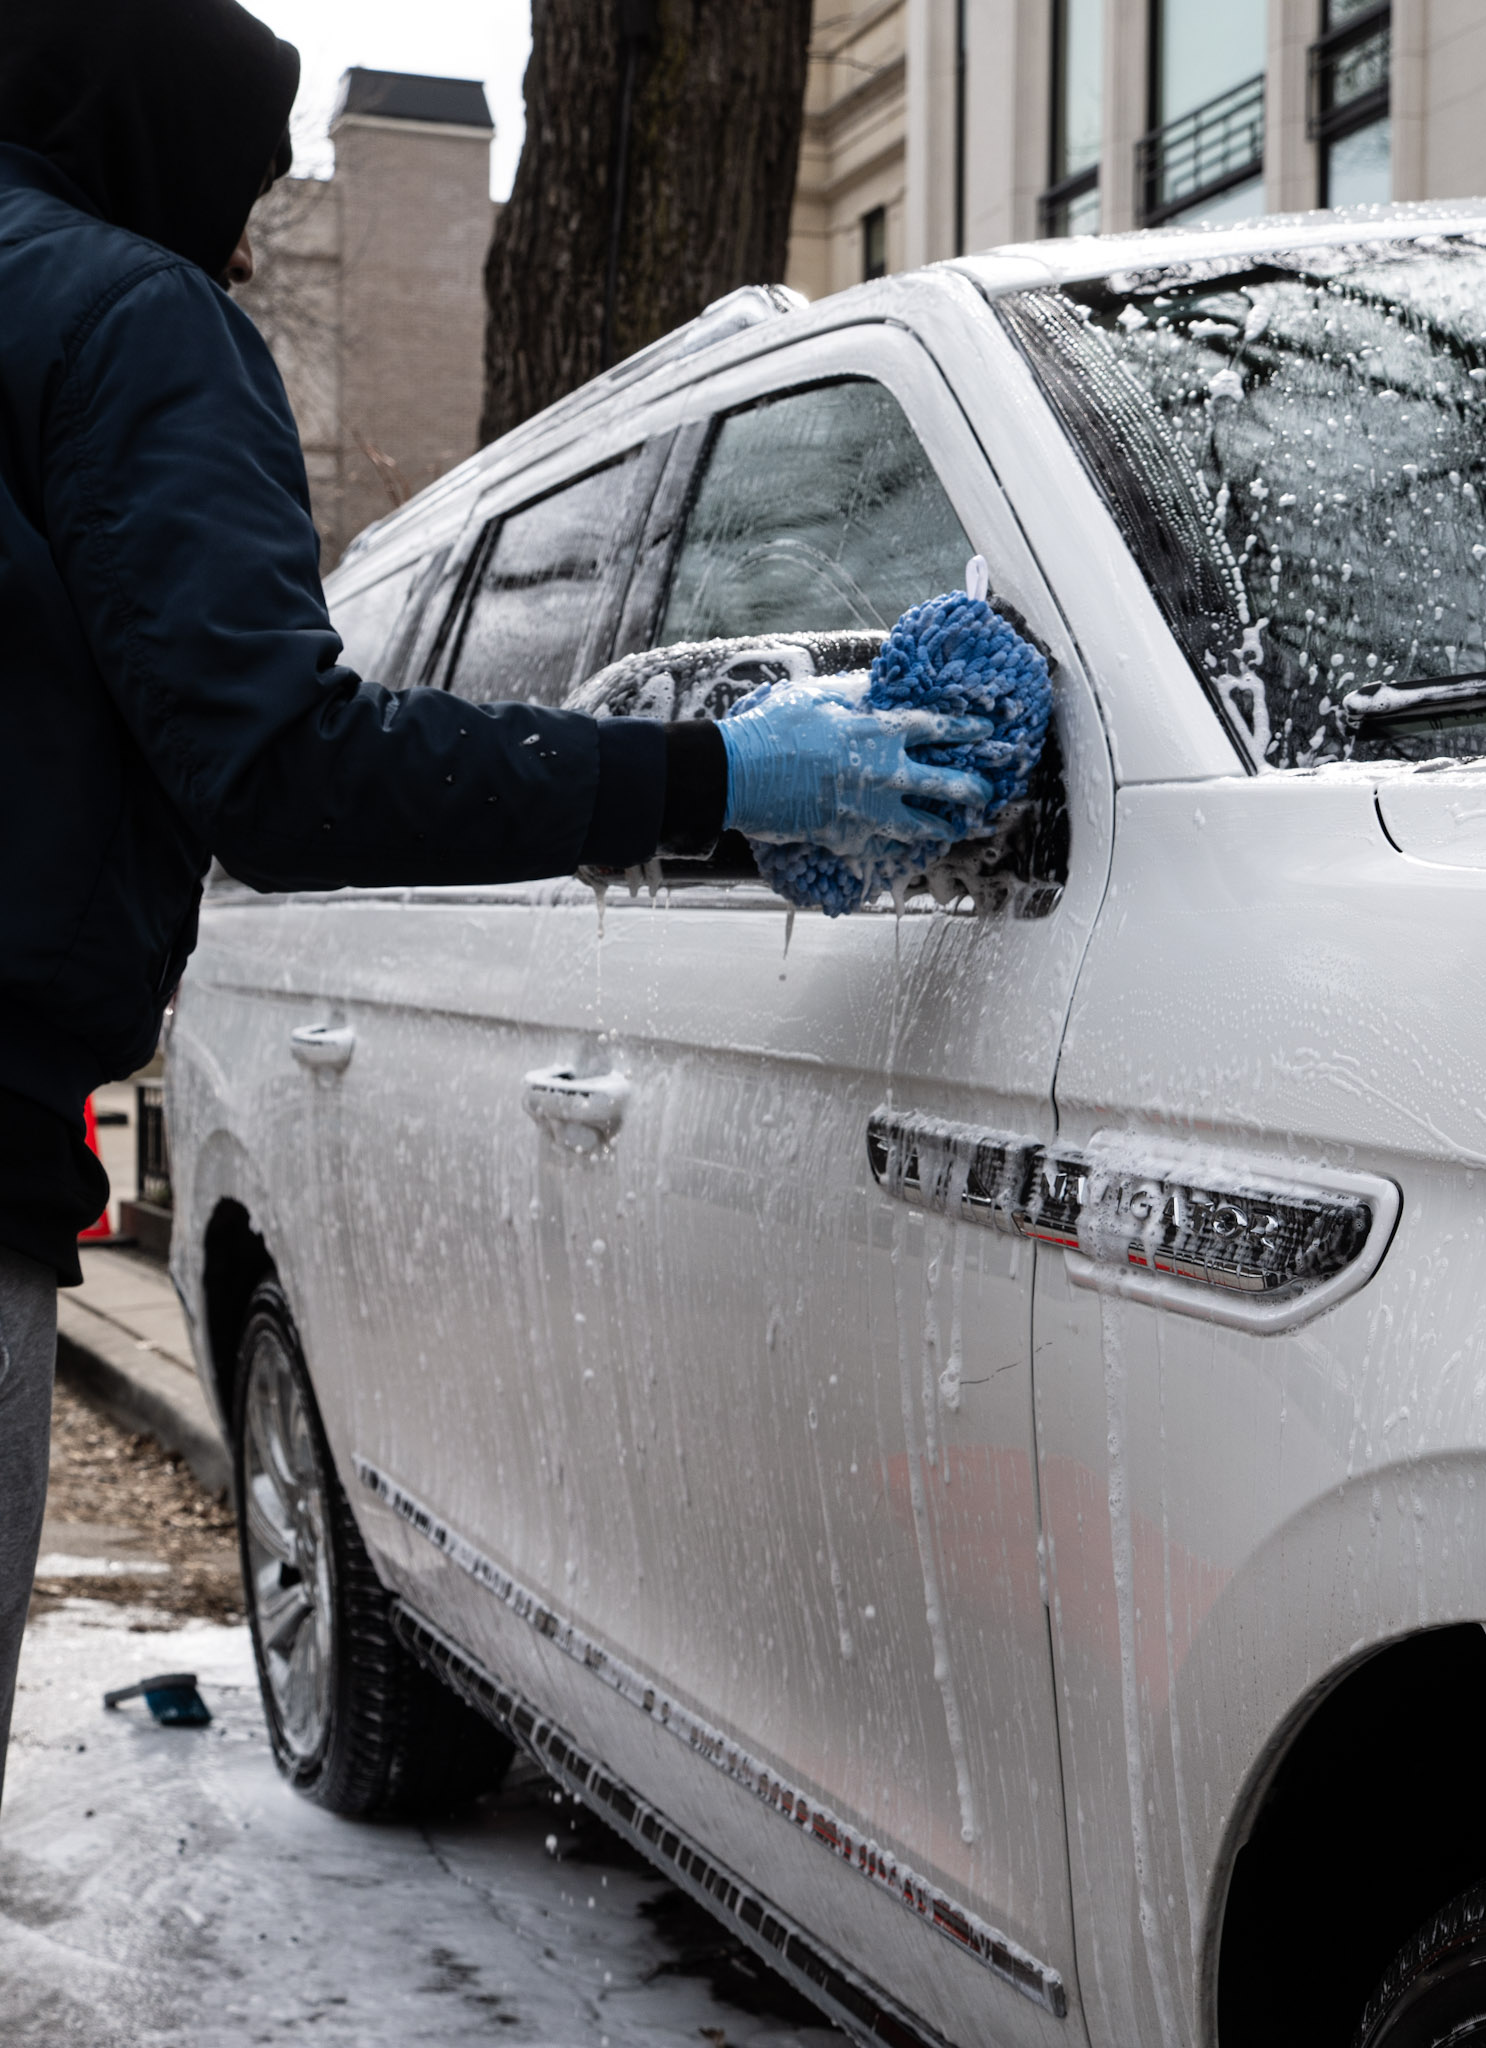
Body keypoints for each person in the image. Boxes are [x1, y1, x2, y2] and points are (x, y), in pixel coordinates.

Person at [0, 0, 989, 1809]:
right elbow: (285, 773)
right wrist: (717, 777)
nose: (233, 246)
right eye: (232, 196)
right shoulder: (125, 317)